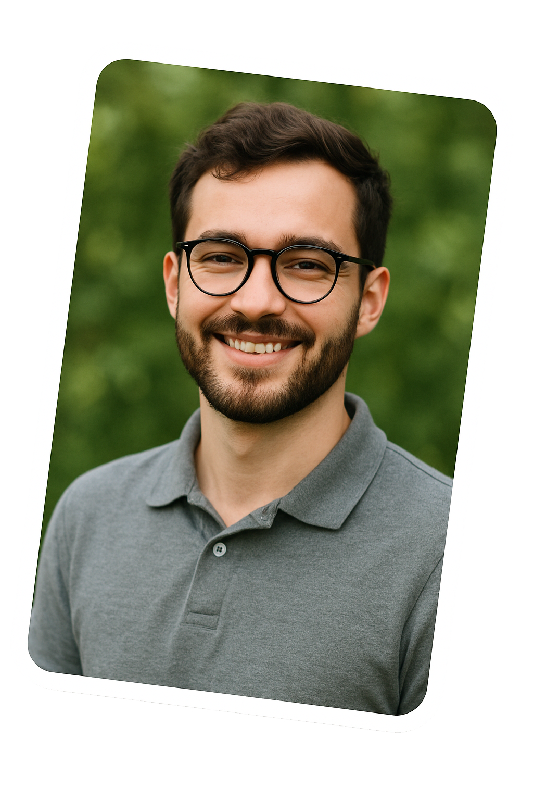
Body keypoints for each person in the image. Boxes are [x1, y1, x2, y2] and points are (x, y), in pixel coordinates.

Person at [29, 102, 451, 715]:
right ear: (175, 284)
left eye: (306, 265)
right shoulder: (88, 516)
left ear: (369, 300)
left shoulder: (452, 555)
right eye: (222, 257)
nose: (256, 302)